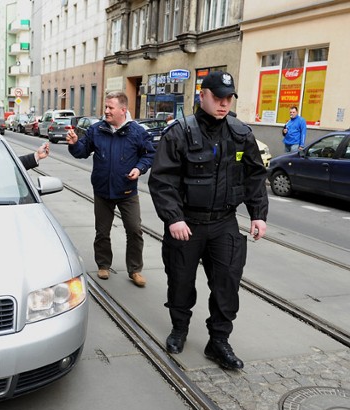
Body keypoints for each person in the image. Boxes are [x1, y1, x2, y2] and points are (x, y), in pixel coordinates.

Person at [148, 71, 269, 370]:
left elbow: (255, 175)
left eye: (228, 98)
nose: (224, 103)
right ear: (202, 95)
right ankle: (180, 329)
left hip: (225, 222)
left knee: (227, 284)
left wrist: (258, 214)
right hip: (187, 223)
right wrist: (173, 218)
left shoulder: (241, 133)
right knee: (180, 281)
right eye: (218, 97)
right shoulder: (178, 133)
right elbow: (163, 180)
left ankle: (218, 341)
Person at [66, 91, 155, 287]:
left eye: (110, 107)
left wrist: (138, 169)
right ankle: (104, 264)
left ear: (123, 110)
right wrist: (74, 144)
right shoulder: (96, 130)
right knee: (102, 231)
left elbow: (149, 155)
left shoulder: (138, 132)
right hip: (102, 190)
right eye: (105, 107)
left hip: (127, 191)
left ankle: (135, 270)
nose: (106, 111)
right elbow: (82, 151)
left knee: (134, 230)